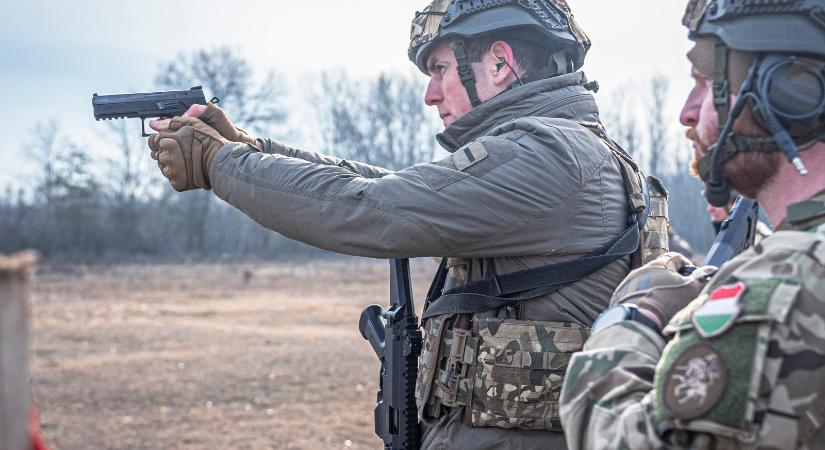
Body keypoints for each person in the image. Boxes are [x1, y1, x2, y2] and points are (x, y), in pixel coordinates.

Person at [146, 1, 667, 448]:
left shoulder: (549, 156)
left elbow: (372, 209)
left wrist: (221, 165)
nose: (431, 95)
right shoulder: (568, 150)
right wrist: (249, 150)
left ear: (501, 64)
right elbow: (387, 186)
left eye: (439, 70)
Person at [559, 1, 825, 448]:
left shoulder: (785, 288)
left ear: (789, 92)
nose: (687, 111)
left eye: (705, 83)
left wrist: (631, 317)